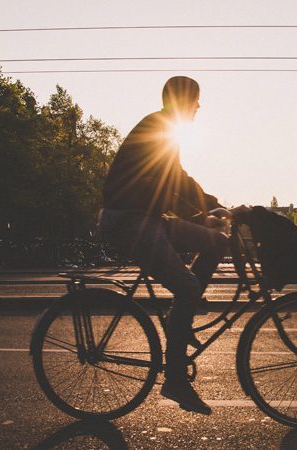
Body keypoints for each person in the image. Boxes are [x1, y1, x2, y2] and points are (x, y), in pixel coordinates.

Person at [98, 76, 238, 415]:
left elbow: (177, 178)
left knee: (217, 243)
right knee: (188, 288)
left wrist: (211, 209)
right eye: (196, 100)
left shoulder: (163, 128)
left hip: (149, 218)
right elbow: (173, 181)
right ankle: (174, 379)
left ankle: (182, 317)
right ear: (182, 101)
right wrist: (205, 210)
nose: (199, 107)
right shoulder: (158, 127)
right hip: (131, 222)